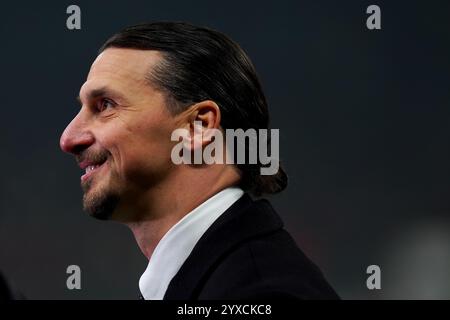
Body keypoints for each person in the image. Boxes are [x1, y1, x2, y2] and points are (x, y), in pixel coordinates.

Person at [59, 21, 339, 300]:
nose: (68, 138)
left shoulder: (262, 294)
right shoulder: (222, 280)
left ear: (198, 127)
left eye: (105, 105)